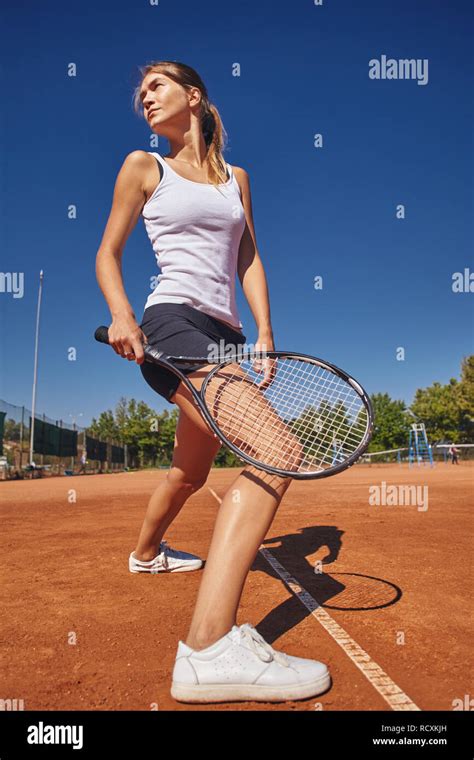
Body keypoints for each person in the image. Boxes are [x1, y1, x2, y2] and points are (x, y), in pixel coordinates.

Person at [95, 60, 331, 704]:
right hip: (171, 325)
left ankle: (145, 554)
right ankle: (207, 648)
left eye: (156, 85)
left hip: (224, 336)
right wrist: (121, 314)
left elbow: (248, 255)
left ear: (193, 97)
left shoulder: (237, 180)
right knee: (277, 453)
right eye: (140, 92)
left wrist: (264, 333)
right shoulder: (144, 167)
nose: (144, 97)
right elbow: (107, 252)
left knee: (190, 473)